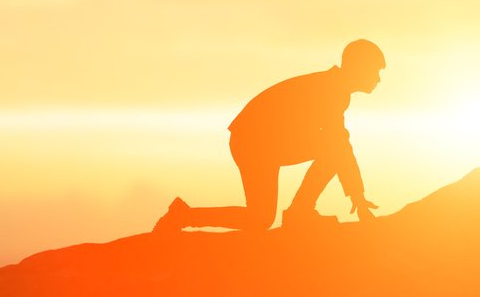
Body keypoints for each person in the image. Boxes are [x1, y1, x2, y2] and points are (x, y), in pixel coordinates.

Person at [155, 40, 385, 232]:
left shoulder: (333, 88)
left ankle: (183, 215)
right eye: (375, 71)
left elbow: (337, 143)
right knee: (261, 217)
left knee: (259, 219)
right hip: (253, 142)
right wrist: (357, 197)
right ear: (359, 67)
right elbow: (338, 144)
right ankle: (300, 212)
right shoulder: (331, 90)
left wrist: (357, 195)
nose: (378, 79)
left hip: (265, 141)